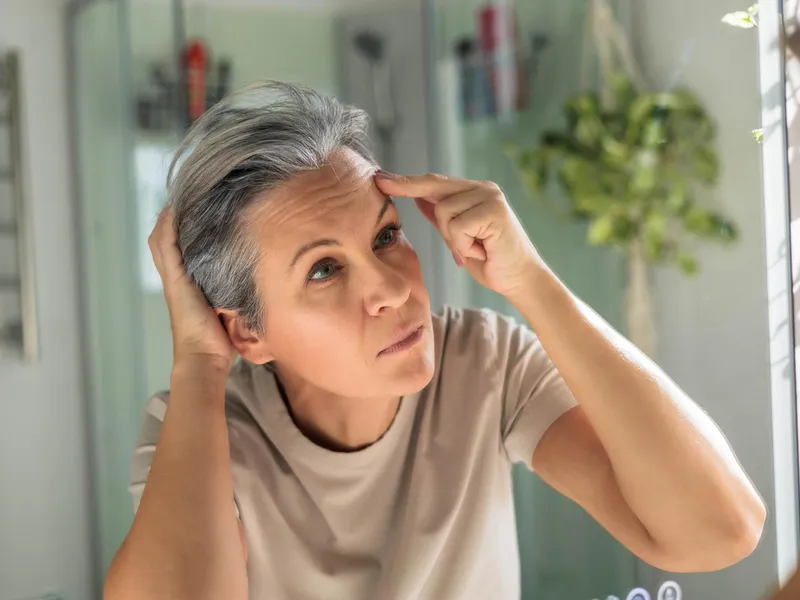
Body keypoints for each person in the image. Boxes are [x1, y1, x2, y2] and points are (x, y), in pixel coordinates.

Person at [104, 82, 766, 600]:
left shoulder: (485, 364)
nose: (392, 288)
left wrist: (530, 281)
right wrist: (200, 365)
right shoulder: (197, 432)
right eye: (324, 269)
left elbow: (720, 531)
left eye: (386, 235)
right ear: (248, 330)